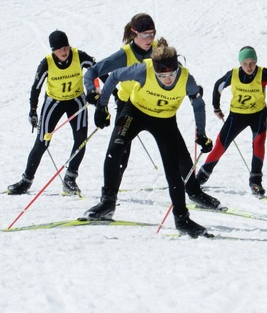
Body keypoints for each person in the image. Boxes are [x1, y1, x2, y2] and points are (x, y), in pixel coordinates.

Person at [84, 38, 221, 238]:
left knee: (172, 170)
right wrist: (102, 106)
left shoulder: (185, 78)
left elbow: (198, 105)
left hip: (164, 121)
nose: (167, 79)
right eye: (162, 75)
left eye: (171, 74)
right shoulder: (143, 70)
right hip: (135, 113)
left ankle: (182, 219)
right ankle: (107, 203)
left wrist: (201, 134)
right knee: (115, 149)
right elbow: (113, 77)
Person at [196, 46, 267, 196]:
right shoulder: (233, 75)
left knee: (258, 144)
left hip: (258, 115)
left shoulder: (263, 73)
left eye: (252, 63)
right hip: (236, 116)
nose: (249, 67)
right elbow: (217, 87)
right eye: (245, 63)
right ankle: (201, 177)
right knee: (221, 144)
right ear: (240, 63)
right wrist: (216, 108)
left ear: (256, 61)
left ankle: (255, 182)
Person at [7, 30, 96, 196]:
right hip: (54, 103)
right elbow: (36, 87)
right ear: (53, 50)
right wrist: (33, 110)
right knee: (42, 141)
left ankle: (70, 179)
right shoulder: (46, 63)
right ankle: (26, 180)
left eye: (66, 47)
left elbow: (98, 70)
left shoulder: (79, 56)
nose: (64, 51)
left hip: (76, 101)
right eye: (60, 49)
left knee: (81, 139)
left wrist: (105, 94)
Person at [84, 13, 157, 179]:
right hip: (129, 106)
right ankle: (111, 190)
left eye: (153, 33)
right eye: (145, 34)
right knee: (119, 149)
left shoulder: (158, 48)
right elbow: (92, 71)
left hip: (153, 104)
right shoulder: (125, 54)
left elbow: (174, 67)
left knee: (171, 144)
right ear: (134, 33)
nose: (150, 39)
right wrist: (91, 91)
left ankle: (189, 186)